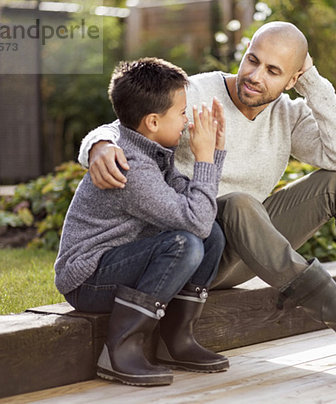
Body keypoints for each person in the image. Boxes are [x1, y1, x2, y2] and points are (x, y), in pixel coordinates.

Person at [79, 22, 336, 376]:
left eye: (274, 70)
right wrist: (97, 144)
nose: (255, 76)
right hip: (194, 248)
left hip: (249, 247)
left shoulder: (290, 116)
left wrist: (313, 82)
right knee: (238, 202)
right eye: (252, 60)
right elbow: (131, 121)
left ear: (293, 79)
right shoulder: (199, 91)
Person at [55, 57, 229, 387]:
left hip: (121, 259)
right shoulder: (132, 166)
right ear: (152, 121)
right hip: (87, 279)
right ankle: (120, 349)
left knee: (213, 238)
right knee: (186, 243)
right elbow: (194, 222)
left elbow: (200, 215)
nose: (186, 121)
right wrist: (205, 158)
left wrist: (215, 152)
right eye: (181, 112)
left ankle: (176, 340)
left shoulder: (151, 150)